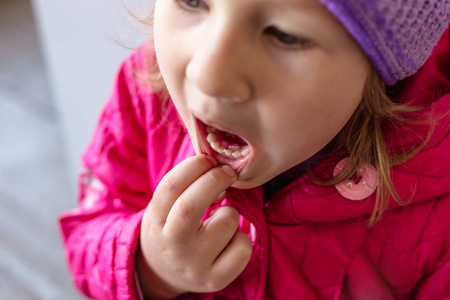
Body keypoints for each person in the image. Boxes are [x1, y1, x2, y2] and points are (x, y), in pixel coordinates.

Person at [59, 0, 450, 299]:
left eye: (285, 35)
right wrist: (151, 267)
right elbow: (85, 233)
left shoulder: (438, 196)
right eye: (194, 0)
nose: (208, 75)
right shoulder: (145, 93)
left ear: (382, 67)